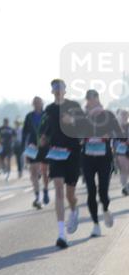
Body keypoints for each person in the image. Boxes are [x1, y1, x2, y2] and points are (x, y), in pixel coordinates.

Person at [39, 79, 85, 249]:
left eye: (60, 87)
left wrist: (72, 122)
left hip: (72, 153)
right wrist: (43, 138)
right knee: (58, 188)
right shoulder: (49, 109)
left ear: (65, 90)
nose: (57, 90)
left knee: (69, 195)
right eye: (54, 87)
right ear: (52, 91)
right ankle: (61, 234)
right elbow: (45, 128)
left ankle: (74, 209)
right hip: (55, 153)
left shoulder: (74, 106)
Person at [79, 90, 124, 237]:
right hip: (87, 157)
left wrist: (109, 135)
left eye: (91, 99)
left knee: (103, 191)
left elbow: (119, 133)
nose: (89, 102)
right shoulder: (83, 116)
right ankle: (95, 225)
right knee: (91, 191)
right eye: (87, 100)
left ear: (97, 99)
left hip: (104, 157)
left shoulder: (108, 115)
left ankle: (105, 209)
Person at [22, 97, 49, 209]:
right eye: (35, 103)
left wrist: (47, 138)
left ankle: (46, 190)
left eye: (38, 102)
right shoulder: (29, 116)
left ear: (42, 103)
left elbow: (52, 129)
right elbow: (25, 132)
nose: (36, 104)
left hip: (45, 145)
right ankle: (37, 197)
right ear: (32, 104)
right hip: (32, 146)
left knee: (44, 171)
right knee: (33, 172)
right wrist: (24, 148)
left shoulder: (47, 115)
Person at [116, 109, 129, 196]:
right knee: (124, 170)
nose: (124, 116)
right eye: (123, 115)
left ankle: (126, 187)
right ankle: (125, 187)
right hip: (121, 151)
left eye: (126, 115)